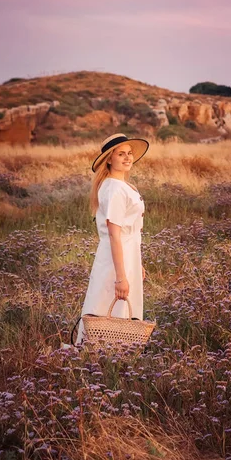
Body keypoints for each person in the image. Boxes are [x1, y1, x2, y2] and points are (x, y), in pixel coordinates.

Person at [75, 133, 149, 345]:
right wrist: (120, 276)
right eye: (121, 154)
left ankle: (111, 353)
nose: (127, 158)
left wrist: (137, 263)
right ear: (109, 158)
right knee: (108, 305)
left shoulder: (119, 185)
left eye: (129, 153)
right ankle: (104, 353)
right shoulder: (115, 188)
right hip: (117, 258)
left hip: (126, 256)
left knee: (116, 306)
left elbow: (130, 232)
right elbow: (115, 235)